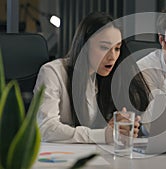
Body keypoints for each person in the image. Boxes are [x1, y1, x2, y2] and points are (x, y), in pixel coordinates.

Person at [34, 12, 151, 143]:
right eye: (104, 47)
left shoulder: (102, 78)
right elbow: (46, 129)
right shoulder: (52, 72)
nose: (112, 57)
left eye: (117, 48)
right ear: (84, 45)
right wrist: (104, 135)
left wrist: (118, 128)